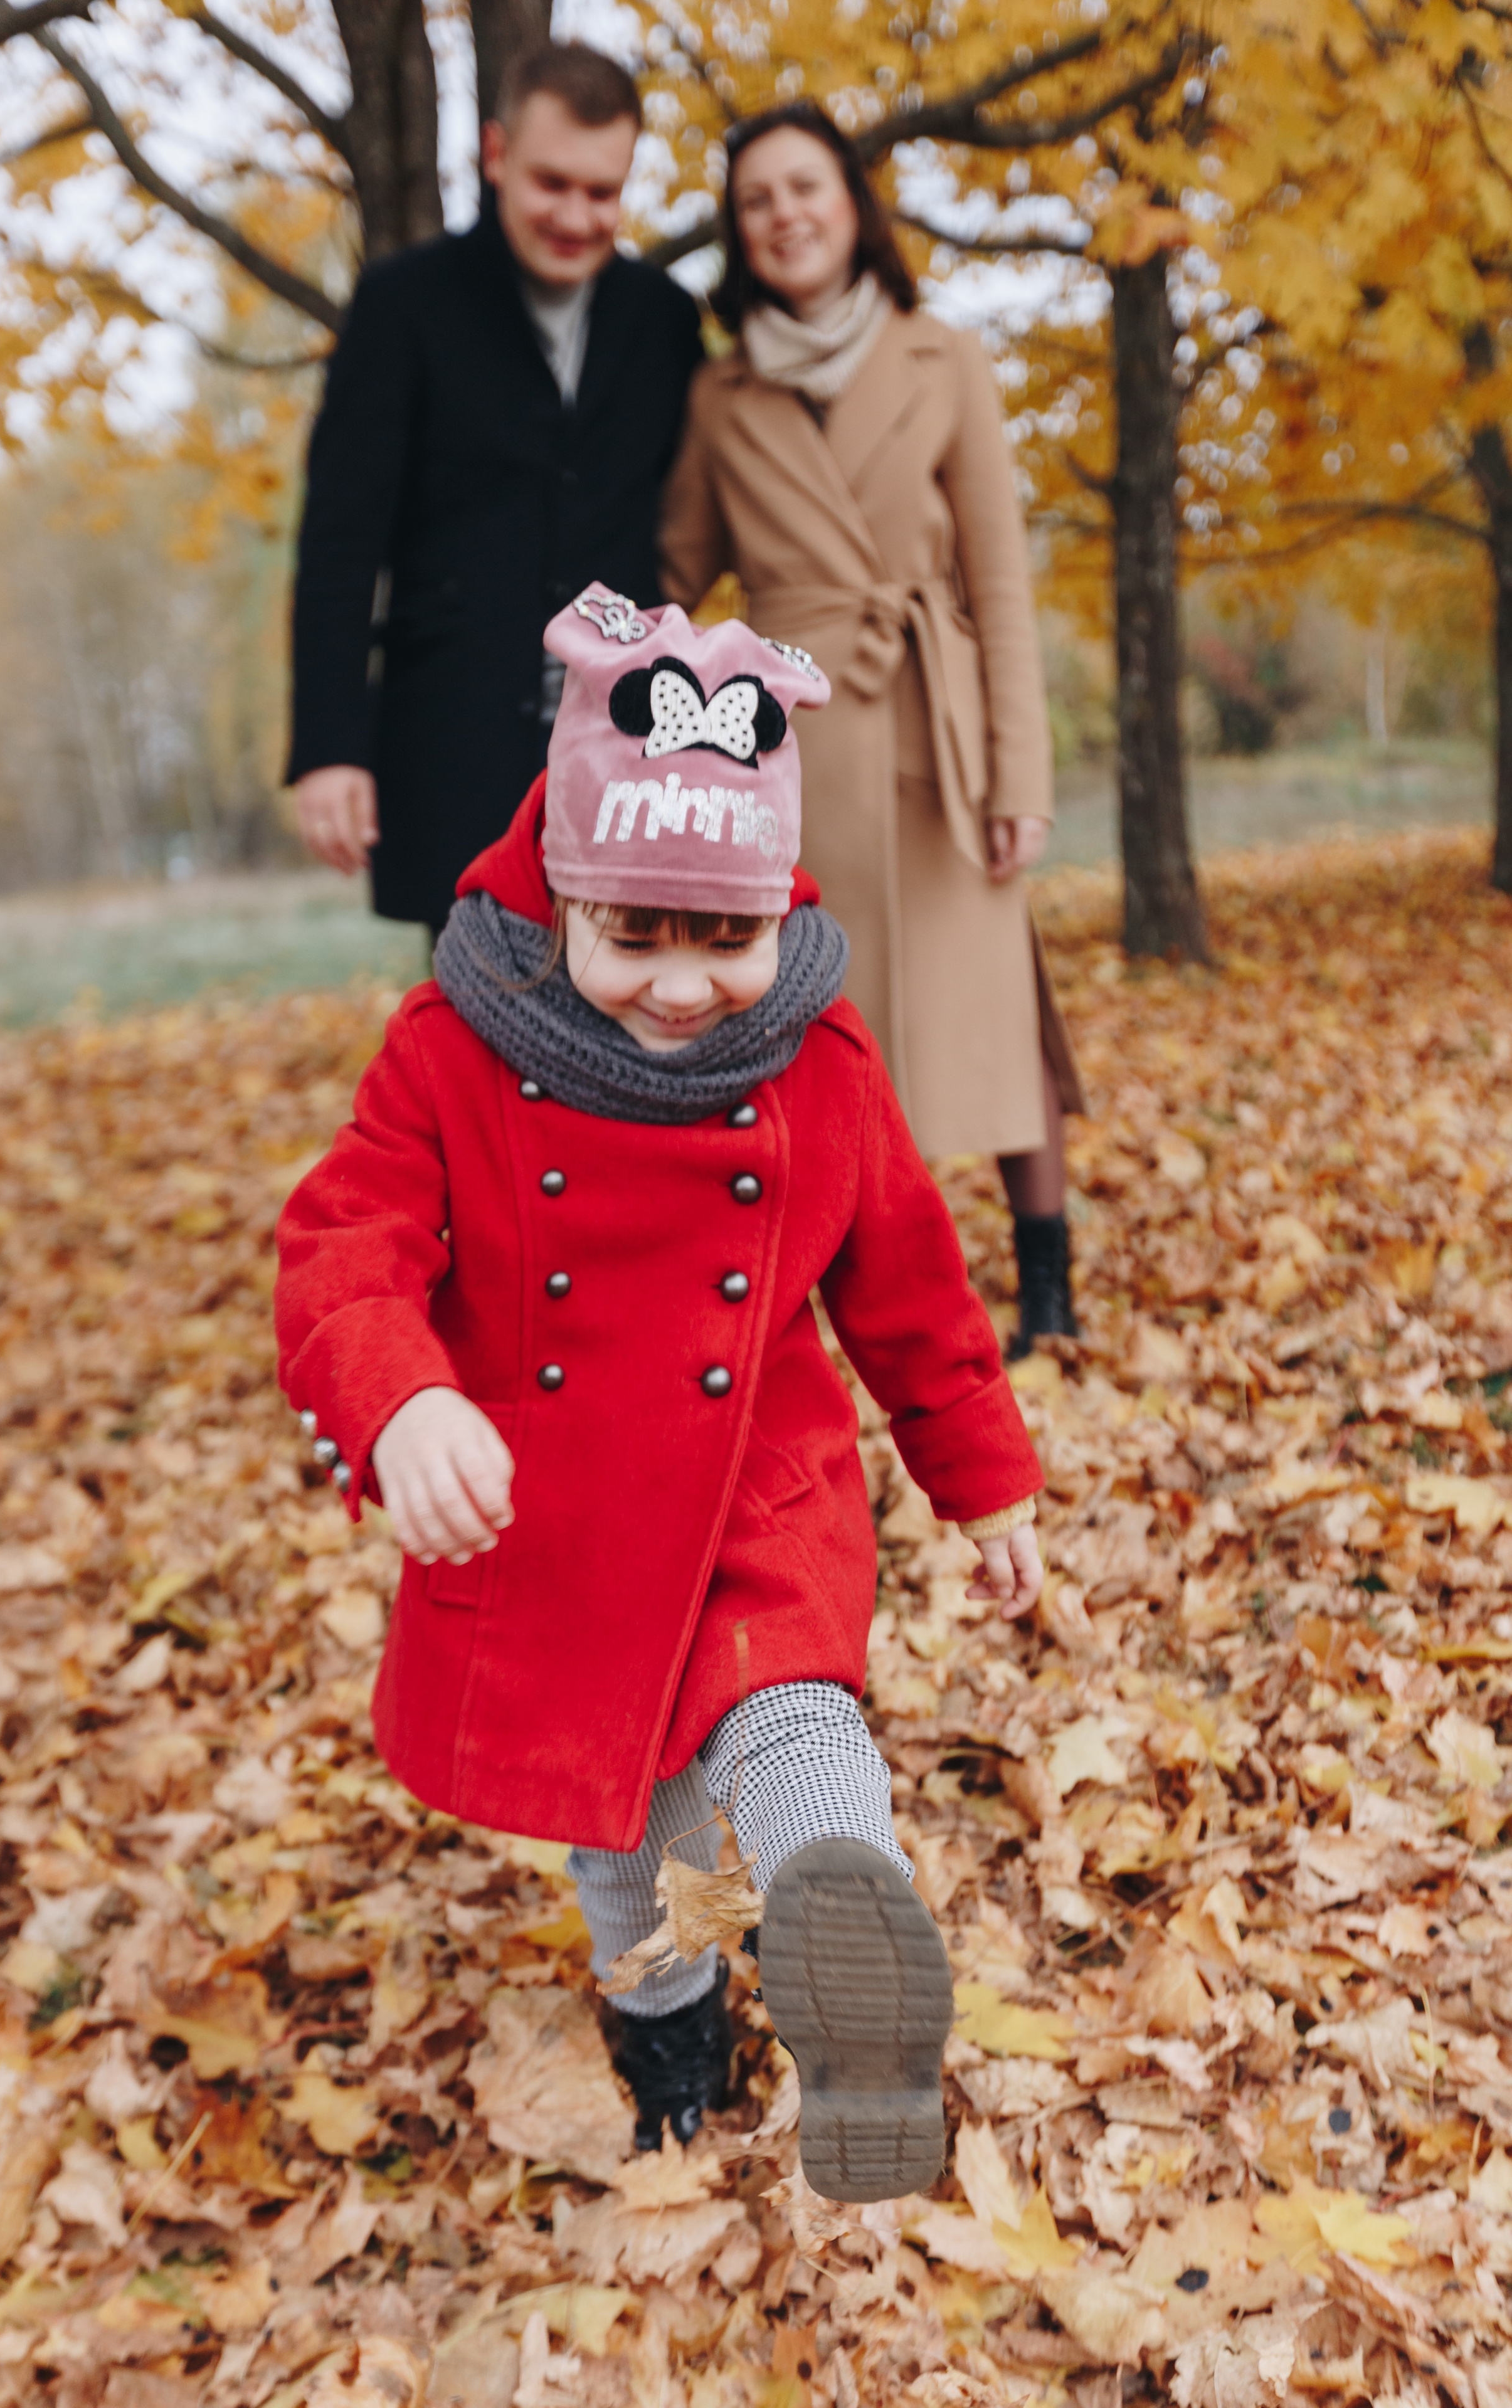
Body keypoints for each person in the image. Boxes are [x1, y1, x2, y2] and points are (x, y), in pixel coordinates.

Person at [275, 584, 1045, 2200]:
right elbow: (343, 1245)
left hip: (757, 1495)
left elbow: (904, 1281)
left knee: (793, 1717)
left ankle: (847, 1936)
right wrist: (400, 1401)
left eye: (725, 939)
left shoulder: (815, 1059)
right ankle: (672, 2026)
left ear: (778, 909)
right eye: (634, 935)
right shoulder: (454, 1050)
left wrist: (980, 1477)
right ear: (560, 893)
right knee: (629, 1848)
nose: (684, 987)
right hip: (549, 1510)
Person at [658, 101, 1086, 1356]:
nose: (785, 213)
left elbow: (998, 582)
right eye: (757, 200)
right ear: (741, 234)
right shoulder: (720, 395)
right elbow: (676, 576)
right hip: (789, 751)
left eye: (807, 187)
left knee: (988, 1004)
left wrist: (1020, 771)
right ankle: (834, 1291)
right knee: (813, 1028)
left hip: (935, 727)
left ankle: (1046, 1286)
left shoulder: (939, 358)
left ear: (850, 205)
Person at [287, 44, 703, 939]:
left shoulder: (667, 321)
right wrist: (327, 747)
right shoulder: (402, 306)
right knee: (483, 1044)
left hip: (634, 755)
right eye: (552, 183)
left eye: (604, 192)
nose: (577, 215)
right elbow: (339, 540)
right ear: (496, 155)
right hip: (455, 747)